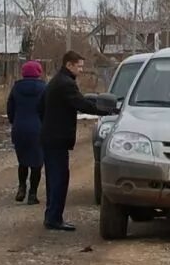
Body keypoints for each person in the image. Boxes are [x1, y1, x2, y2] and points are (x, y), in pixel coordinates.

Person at [36, 49, 113, 232]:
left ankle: (52, 216)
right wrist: (106, 111)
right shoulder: (66, 84)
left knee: (54, 178)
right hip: (57, 139)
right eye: (78, 66)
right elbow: (82, 104)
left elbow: (40, 106)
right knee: (59, 179)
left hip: (50, 137)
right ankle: (54, 218)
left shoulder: (55, 81)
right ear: (68, 64)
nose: (80, 70)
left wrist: (48, 122)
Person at [5, 60, 49, 204]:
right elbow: (47, 109)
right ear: (38, 72)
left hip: (20, 128)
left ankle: (22, 187)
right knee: (37, 162)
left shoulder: (16, 88)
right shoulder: (44, 88)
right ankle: (32, 194)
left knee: (23, 160)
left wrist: (14, 121)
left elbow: (10, 107)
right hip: (38, 129)